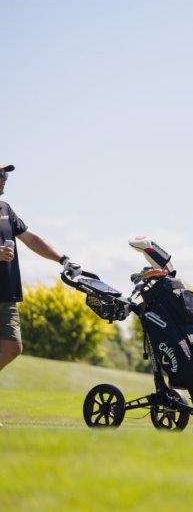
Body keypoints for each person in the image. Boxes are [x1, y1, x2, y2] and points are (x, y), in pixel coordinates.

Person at [0, 163, 82, 428]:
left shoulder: (5, 209)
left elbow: (31, 239)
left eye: (6, 174)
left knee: (12, 347)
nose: (5, 179)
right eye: (0, 174)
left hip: (6, 295)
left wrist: (62, 259)